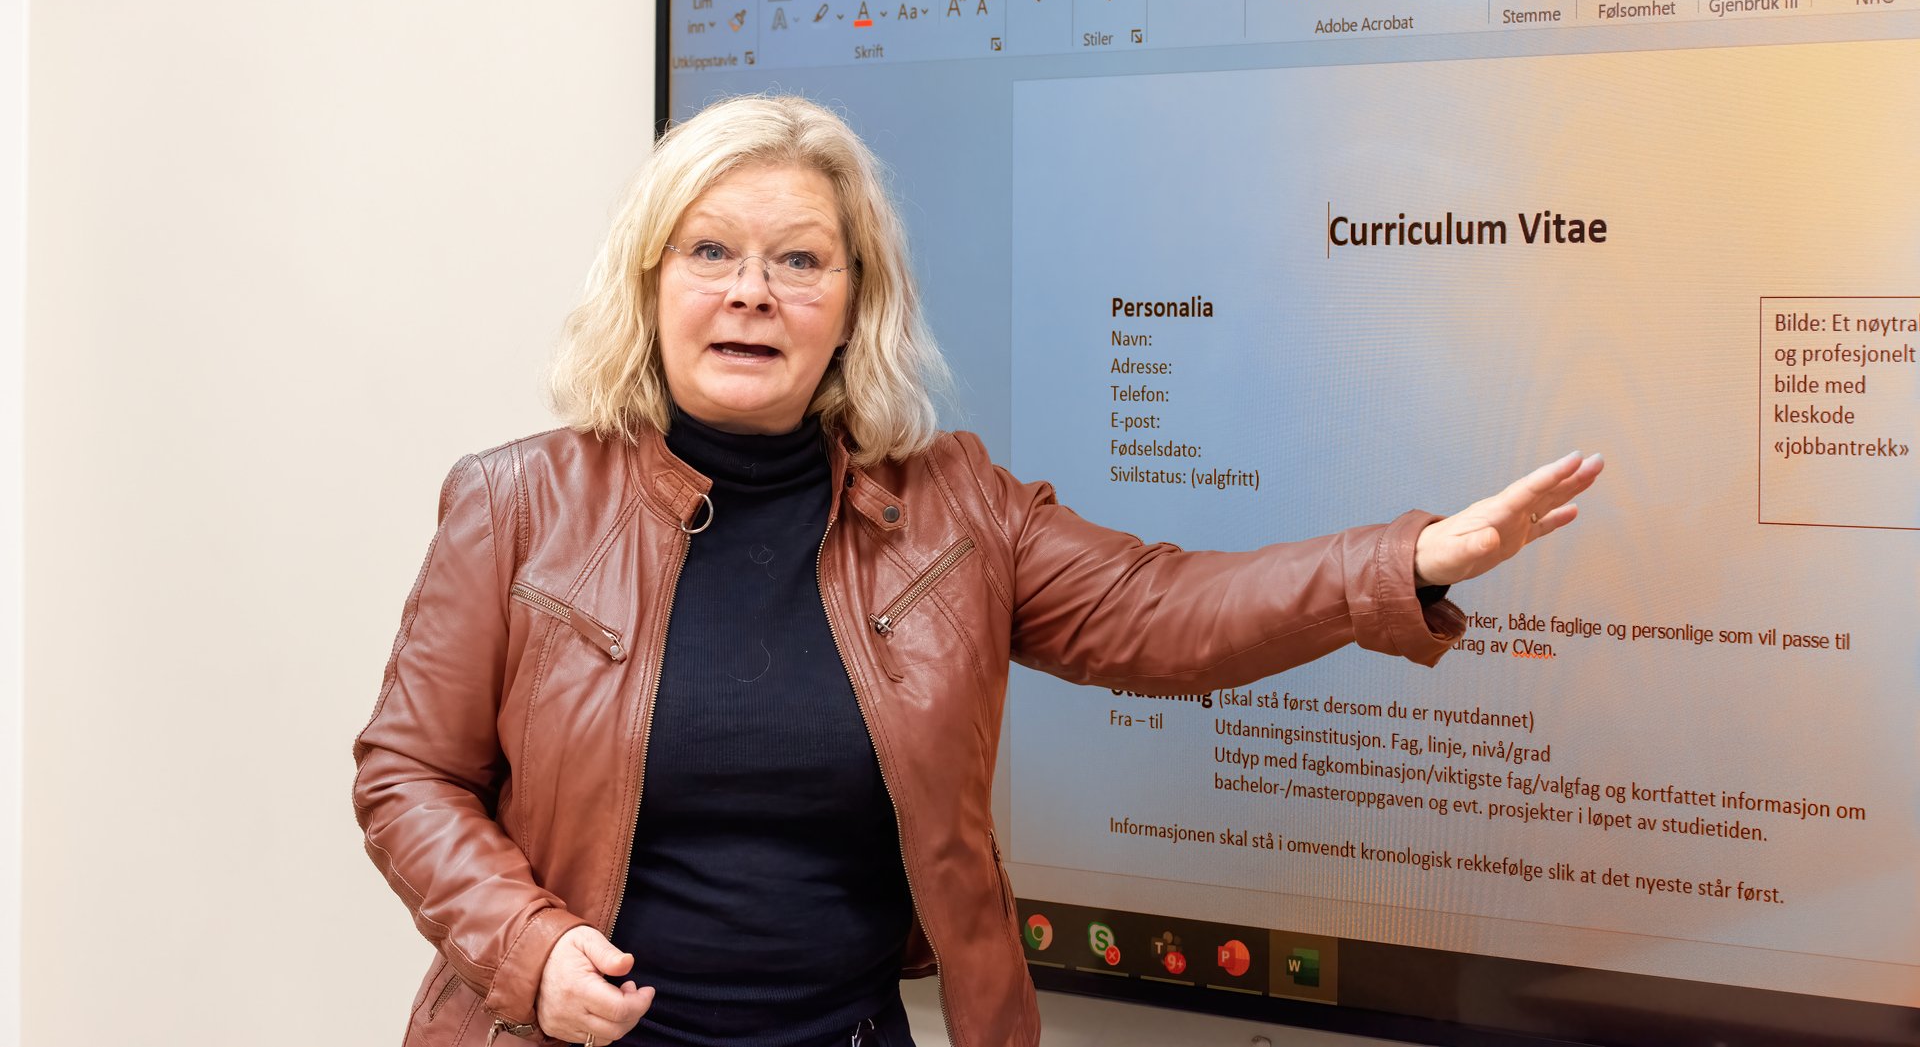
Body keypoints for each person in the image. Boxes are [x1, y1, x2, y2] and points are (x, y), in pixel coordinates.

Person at [352, 95, 1602, 1047]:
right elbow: (408, 773)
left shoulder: (953, 505)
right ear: (649, 284)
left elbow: (1163, 613)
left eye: (799, 261)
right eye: (709, 253)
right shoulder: (516, 502)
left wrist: (1407, 560)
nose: (752, 294)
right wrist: (527, 950)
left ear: (853, 305)